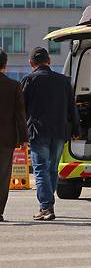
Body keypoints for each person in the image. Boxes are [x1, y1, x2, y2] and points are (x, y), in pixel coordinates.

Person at [21, 47, 79, 221]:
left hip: (38, 132)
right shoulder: (63, 81)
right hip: (60, 131)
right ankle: (47, 204)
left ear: (31, 63)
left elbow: (21, 109)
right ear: (49, 61)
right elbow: (72, 108)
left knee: (40, 169)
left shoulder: (28, 80)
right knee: (52, 169)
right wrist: (76, 130)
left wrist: (20, 132)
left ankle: (46, 207)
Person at [0, 49, 28, 222]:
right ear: (5, 64)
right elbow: (20, 115)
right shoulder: (13, 85)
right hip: (6, 139)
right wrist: (24, 138)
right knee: (3, 175)